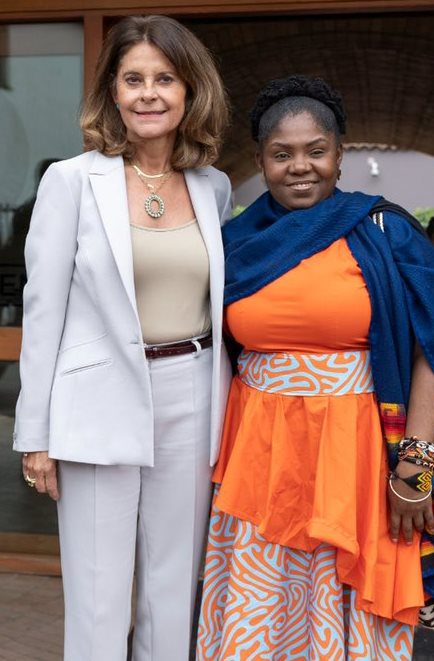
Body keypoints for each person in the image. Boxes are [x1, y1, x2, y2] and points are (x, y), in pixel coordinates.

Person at [196, 75, 434, 660]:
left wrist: (415, 468)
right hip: (259, 458)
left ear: (340, 155)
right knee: (261, 611)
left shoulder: (386, 233)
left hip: (360, 456)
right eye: (281, 153)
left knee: (349, 602)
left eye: (316, 150)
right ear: (260, 161)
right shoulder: (232, 243)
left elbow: (431, 354)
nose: (300, 167)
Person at [13, 15, 232, 661]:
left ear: (190, 90)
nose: (148, 94)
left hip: (192, 393)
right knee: (98, 592)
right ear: (112, 91)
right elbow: (44, 311)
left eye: (165, 79)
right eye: (133, 79)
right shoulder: (71, 181)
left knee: (173, 586)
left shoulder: (213, 186)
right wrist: (36, 434)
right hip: (96, 400)